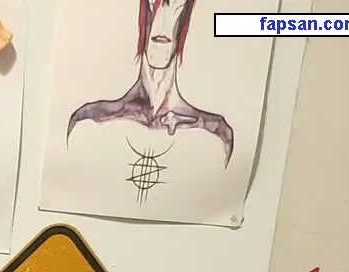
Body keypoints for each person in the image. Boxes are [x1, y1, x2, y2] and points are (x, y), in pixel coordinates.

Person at [67, 0, 233, 164]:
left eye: (177, 2)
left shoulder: (215, 133)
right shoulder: (91, 120)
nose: (162, 16)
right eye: (154, 2)